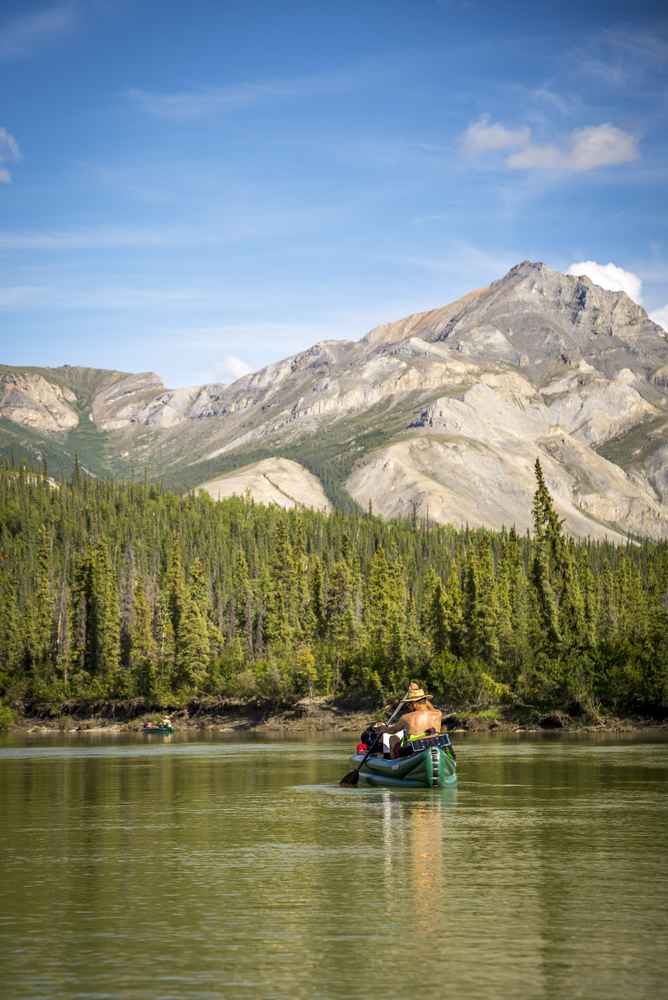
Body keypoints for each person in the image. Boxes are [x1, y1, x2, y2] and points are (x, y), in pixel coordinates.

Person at [378, 683, 442, 758]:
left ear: (414, 704)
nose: (409, 706)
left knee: (393, 738)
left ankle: (394, 763)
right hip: (434, 746)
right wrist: (418, 693)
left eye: (409, 704)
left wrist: (383, 728)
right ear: (425, 701)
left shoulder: (405, 717)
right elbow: (432, 708)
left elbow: (392, 730)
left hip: (413, 751)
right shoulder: (438, 714)